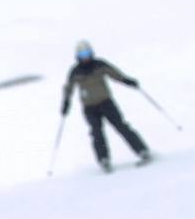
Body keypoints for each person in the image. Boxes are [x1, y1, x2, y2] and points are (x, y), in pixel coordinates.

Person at [61, 40, 151, 173]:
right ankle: (104, 159)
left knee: (121, 126)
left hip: (106, 103)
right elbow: (68, 88)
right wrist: (66, 102)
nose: (86, 57)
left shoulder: (99, 65)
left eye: (87, 53)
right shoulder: (75, 71)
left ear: (91, 53)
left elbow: (115, 74)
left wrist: (127, 81)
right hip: (89, 107)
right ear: (78, 56)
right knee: (96, 133)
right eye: (82, 54)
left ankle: (142, 150)